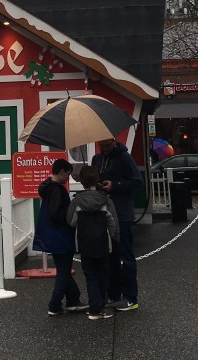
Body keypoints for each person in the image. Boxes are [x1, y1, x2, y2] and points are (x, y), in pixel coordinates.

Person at [91, 137, 142, 311]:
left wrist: (115, 186)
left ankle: (130, 297)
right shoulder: (96, 159)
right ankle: (113, 293)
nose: (103, 148)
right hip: (104, 212)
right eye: (100, 145)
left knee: (125, 256)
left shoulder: (124, 158)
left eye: (106, 145)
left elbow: (137, 182)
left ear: (114, 141)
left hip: (122, 214)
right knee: (109, 256)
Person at [32, 158, 86, 316]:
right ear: (61, 171)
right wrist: (72, 214)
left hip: (50, 236)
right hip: (61, 236)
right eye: (67, 175)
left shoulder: (47, 187)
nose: (68, 179)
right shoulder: (58, 190)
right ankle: (54, 304)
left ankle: (73, 300)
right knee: (63, 271)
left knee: (63, 269)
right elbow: (58, 214)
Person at [66, 166, 119, 320]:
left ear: (81, 182)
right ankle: (99, 307)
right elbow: (113, 224)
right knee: (103, 275)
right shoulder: (106, 200)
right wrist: (116, 239)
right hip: (103, 244)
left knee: (91, 276)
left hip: (85, 244)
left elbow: (71, 222)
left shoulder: (77, 201)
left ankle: (94, 309)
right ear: (98, 180)